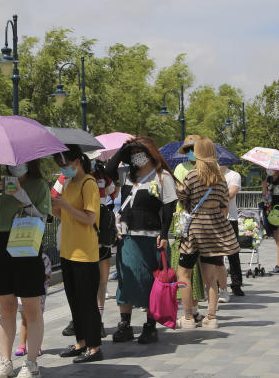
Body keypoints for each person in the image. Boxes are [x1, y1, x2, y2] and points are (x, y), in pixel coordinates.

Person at [104, 137, 178, 344]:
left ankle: (150, 325)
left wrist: (164, 234)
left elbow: (168, 208)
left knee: (150, 282)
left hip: (151, 238)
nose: (136, 155)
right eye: (133, 152)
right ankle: (125, 324)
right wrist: (123, 149)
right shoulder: (128, 174)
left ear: (150, 152)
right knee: (126, 280)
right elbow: (107, 172)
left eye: (140, 151)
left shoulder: (162, 177)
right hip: (128, 237)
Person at [0, 161, 51, 378]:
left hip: (27, 241)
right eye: (11, 162)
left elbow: (42, 217)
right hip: (0, 244)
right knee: (6, 306)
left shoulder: (39, 185)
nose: (16, 165)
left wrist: (22, 196)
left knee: (31, 306)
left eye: (20, 161)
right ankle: (5, 360)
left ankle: (31, 363)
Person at [176, 139, 239, 329]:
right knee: (210, 276)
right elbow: (224, 204)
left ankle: (188, 317)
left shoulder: (192, 175)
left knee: (184, 273)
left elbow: (181, 196)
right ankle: (211, 317)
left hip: (194, 229)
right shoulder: (220, 178)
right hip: (214, 229)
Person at [52, 145, 103, 362]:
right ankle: (80, 342)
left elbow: (89, 218)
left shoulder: (88, 183)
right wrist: (55, 205)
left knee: (86, 301)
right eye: (60, 166)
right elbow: (63, 216)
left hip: (85, 252)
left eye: (66, 165)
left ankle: (94, 348)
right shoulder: (67, 184)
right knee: (73, 300)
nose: (64, 169)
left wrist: (66, 206)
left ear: (77, 162)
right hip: (68, 250)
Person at [171, 135, 206, 310]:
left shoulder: (207, 168)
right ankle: (186, 306)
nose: (191, 152)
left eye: (195, 148)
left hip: (201, 220)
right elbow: (178, 191)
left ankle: (196, 305)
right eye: (189, 149)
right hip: (183, 218)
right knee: (182, 264)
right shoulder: (180, 168)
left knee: (199, 266)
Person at [13, 251, 51, 357]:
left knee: (35, 320)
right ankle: (22, 345)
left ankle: (36, 346)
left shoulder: (43, 258)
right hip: (21, 293)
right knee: (24, 320)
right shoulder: (18, 255)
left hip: (37, 294)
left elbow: (47, 276)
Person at [220, 163, 244, 298]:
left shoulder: (234, 175)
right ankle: (216, 284)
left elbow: (231, 193)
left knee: (233, 253)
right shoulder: (211, 176)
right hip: (214, 219)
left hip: (230, 219)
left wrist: (215, 194)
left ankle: (236, 284)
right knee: (214, 255)